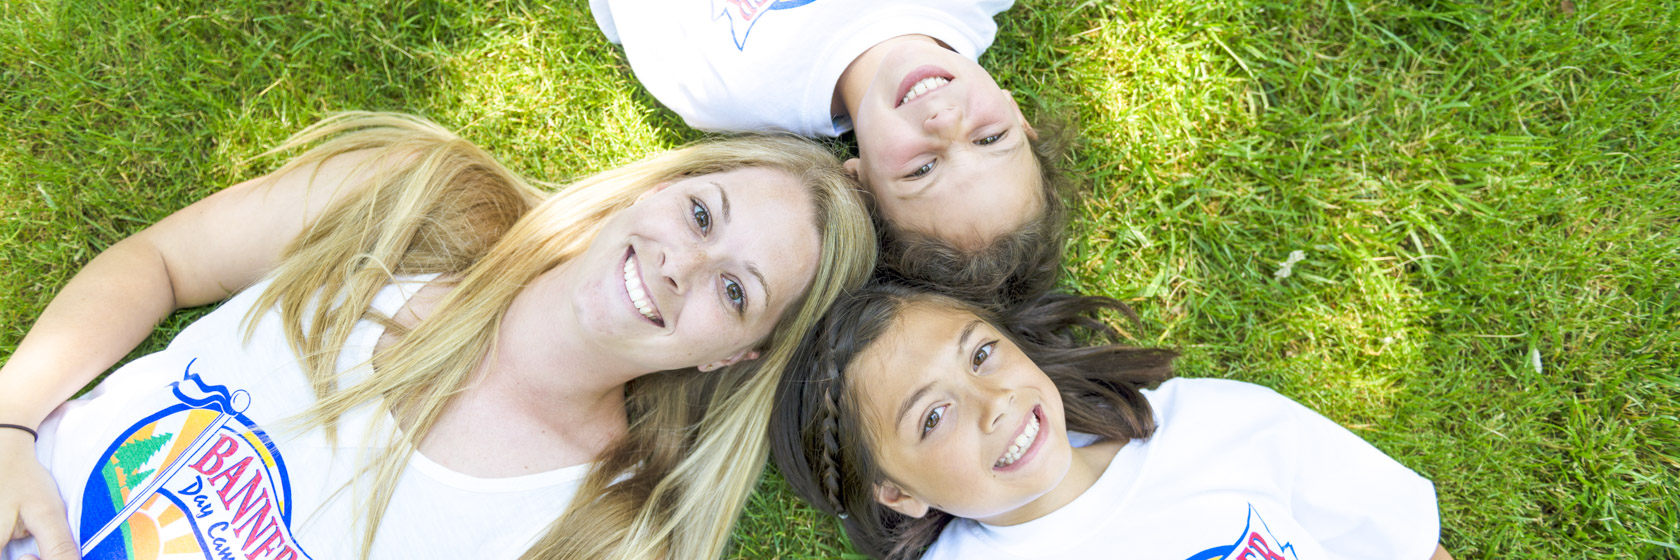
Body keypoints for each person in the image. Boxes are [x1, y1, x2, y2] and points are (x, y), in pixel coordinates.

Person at [0, 112, 876, 560]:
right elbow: (163, 260)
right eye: (699, 212)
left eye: (734, 290)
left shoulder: (604, 530)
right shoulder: (415, 202)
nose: (684, 264)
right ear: (652, 190)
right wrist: (8, 423)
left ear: (730, 356)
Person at [770, 283, 1451, 560]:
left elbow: (1406, 542)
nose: (995, 402)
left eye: (981, 353)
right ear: (897, 493)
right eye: (935, 416)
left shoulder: (1214, 424)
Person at [589, 0, 1068, 308]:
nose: (944, 123)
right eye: (990, 139)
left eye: (923, 169)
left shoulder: (727, 90)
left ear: (860, 183)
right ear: (1016, 114)